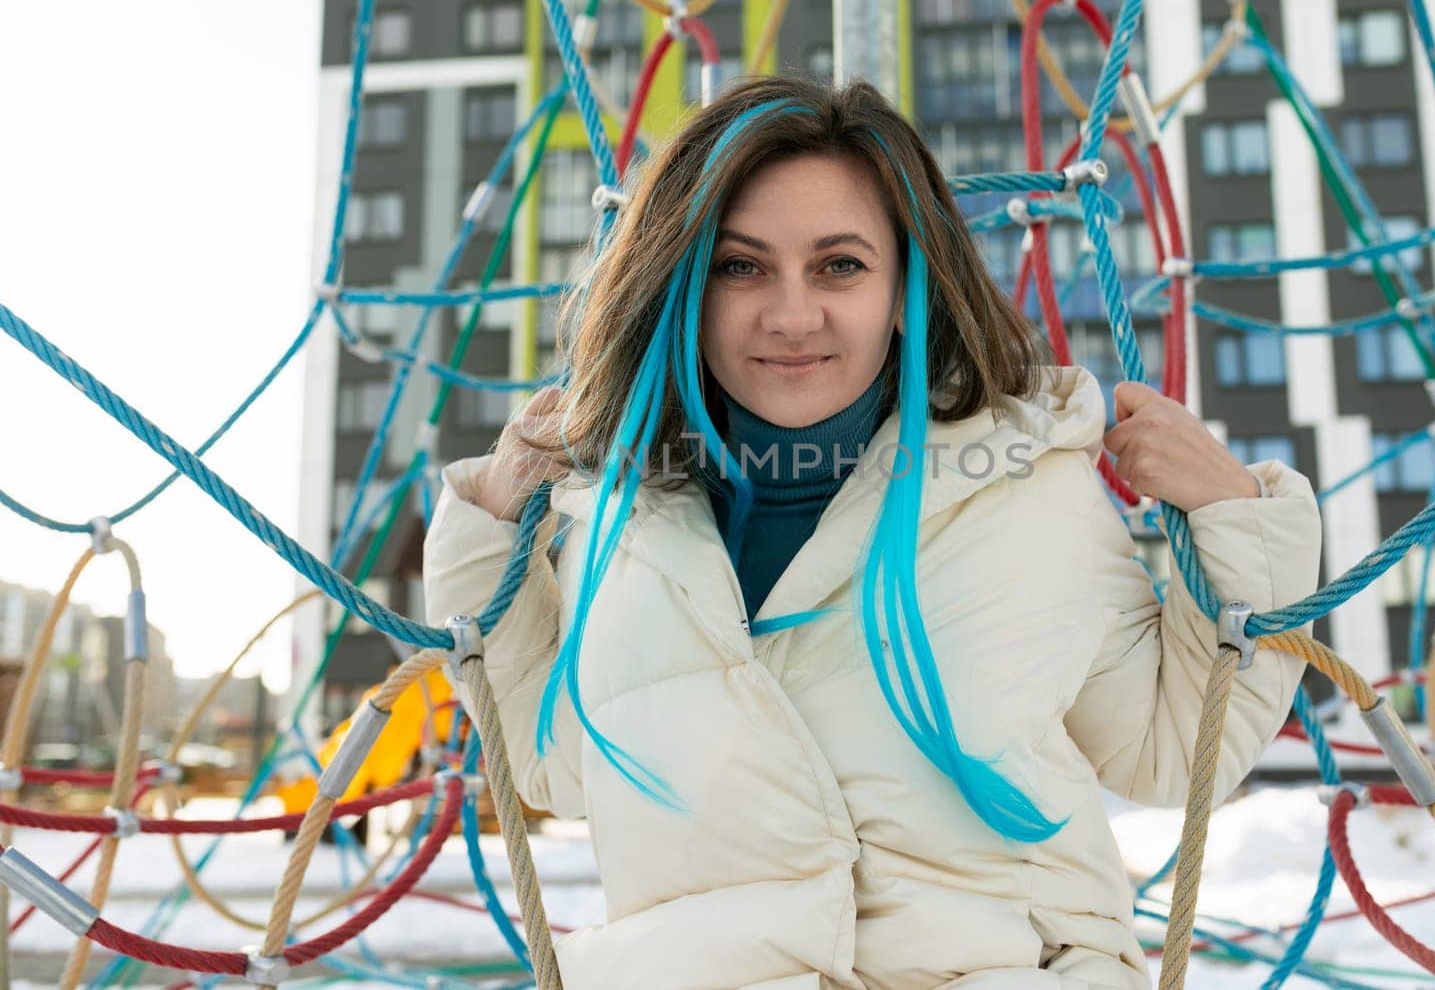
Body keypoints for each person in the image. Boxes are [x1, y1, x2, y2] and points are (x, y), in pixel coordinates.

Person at [424, 76, 1322, 989]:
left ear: (903, 288)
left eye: (839, 265)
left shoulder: (1023, 484)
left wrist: (1235, 518)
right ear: (685, 287)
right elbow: (546, 760)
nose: (791, 314)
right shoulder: (620, 524)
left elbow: (1168, 744)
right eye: (742, 265)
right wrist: (492, 530)